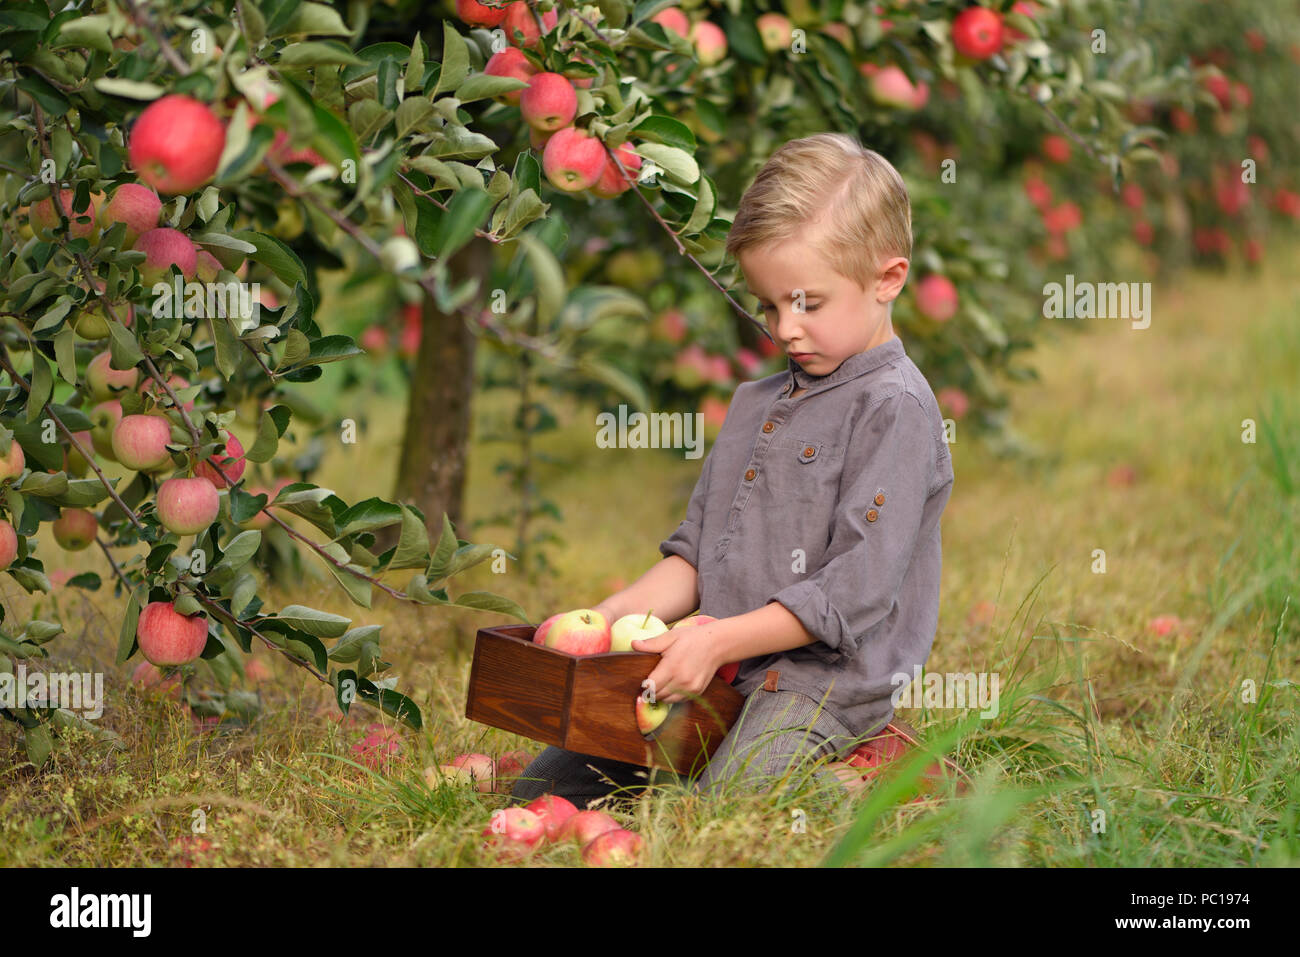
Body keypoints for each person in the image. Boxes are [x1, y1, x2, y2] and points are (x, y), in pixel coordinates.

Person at [512, 132, 955, 809]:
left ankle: (878, 774)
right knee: (549, 787)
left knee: (734, 807)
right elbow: (694, 558)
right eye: (768, 304)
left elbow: (854, 590)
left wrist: (720, 637)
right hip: (716, 666)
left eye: (806, 302)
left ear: (887, 279)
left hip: (822, 679)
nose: (784, 329)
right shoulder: (755, 404)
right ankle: (715, 755)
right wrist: (603, 621)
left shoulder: (893, 408)